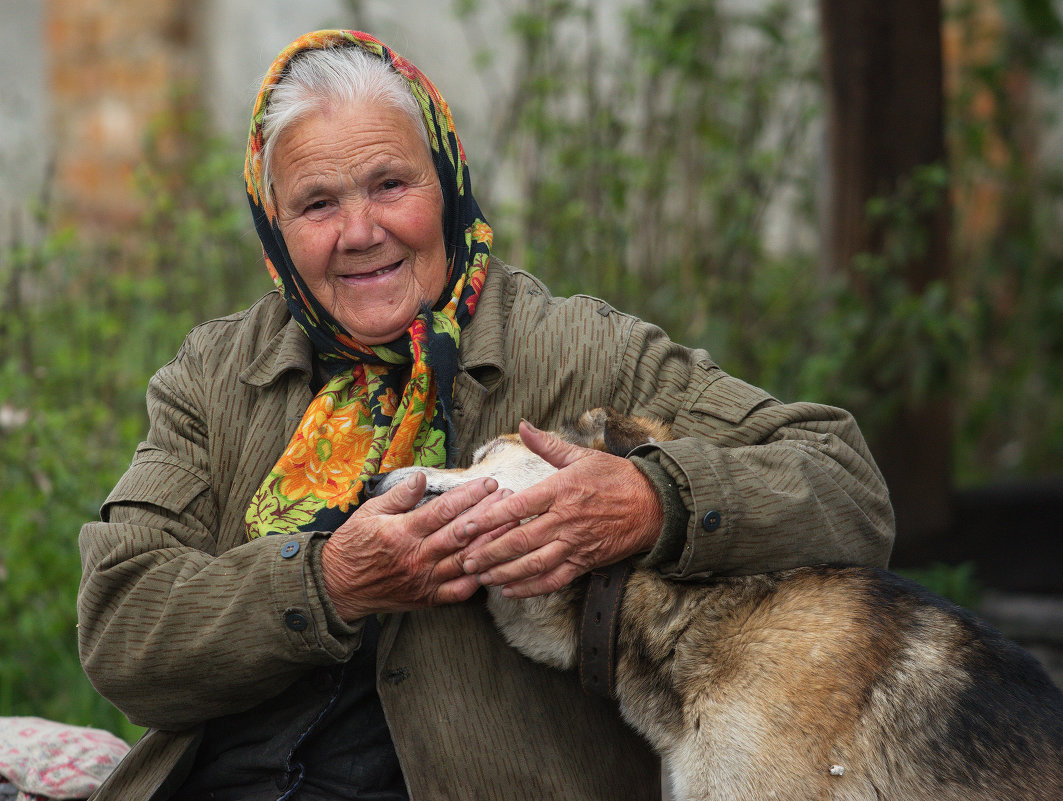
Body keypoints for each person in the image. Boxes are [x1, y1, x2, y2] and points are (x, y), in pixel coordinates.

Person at [78, 30, 895, 801]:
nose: (360, 231)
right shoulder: (215, 375)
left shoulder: (580, 347)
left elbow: (843, 481)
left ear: (446, 181)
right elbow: (120, 628)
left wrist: (652, 503)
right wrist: (328, 582)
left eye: (390, 184)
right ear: (273, 226)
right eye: (317, 203)